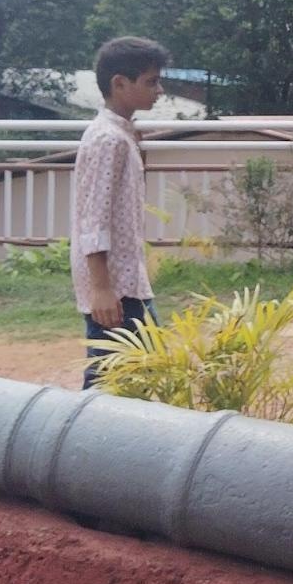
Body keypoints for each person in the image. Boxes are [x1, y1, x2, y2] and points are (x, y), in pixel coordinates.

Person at [73, 37, 167, 388]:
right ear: (119, 83)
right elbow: (93, 219)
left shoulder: (120, 134)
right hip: (114, 290)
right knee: (108, 384)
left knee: (140, 372)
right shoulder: (108, 139)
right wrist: (101, 288)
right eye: (151, 81)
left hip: (128, 284)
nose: (159, 90)